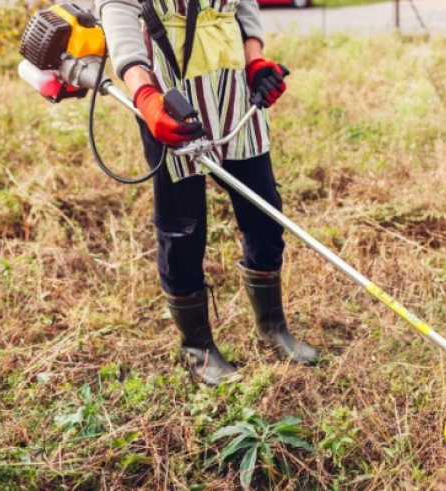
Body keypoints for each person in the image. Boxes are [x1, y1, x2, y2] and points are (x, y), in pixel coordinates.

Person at [95, 0, 318, 386]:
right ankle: (198, 350)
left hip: (232, 88)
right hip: (166, 93)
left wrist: (255, 62)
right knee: (182, 228)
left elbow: (242, 6)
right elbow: (119, 16)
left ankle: (272, 328)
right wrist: (145, 98)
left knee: (264, 211)